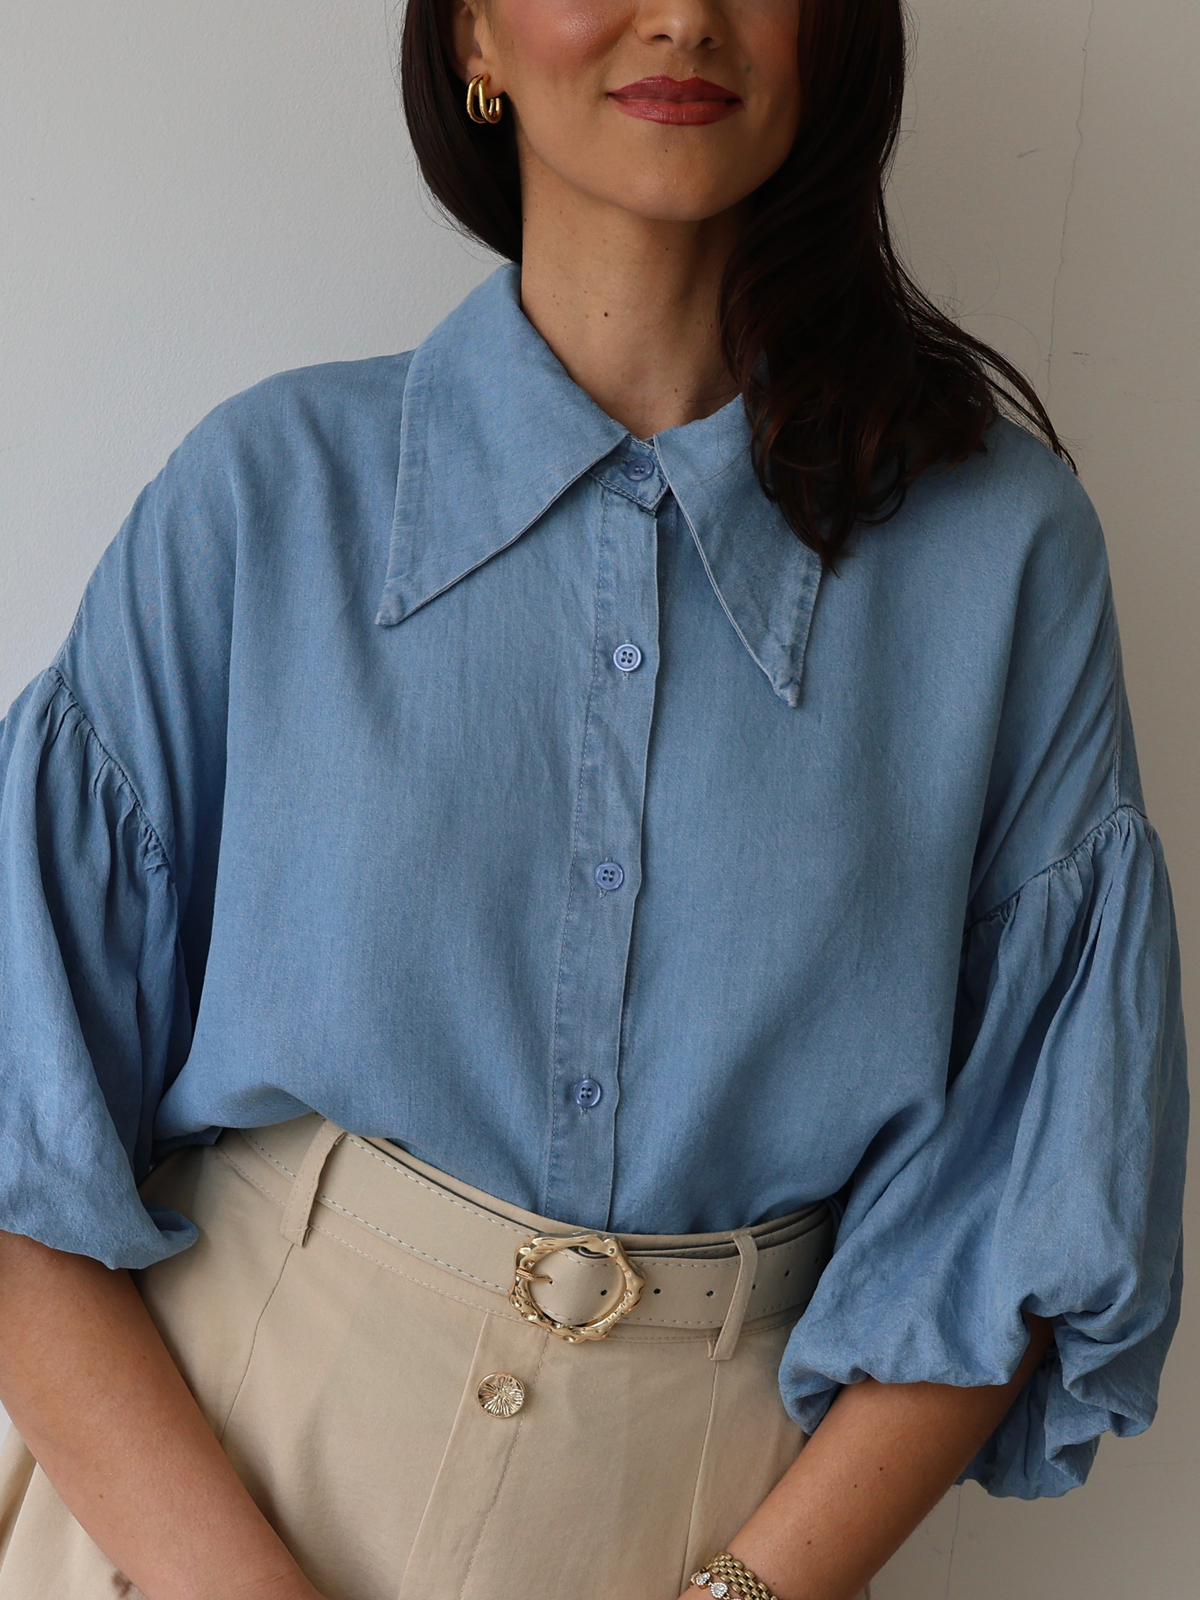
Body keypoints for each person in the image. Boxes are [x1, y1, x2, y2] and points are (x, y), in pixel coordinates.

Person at [0, 2, 1189, 1598]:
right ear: (475, 36)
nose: (683, 13)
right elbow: (19, 1122)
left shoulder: (1003, 562)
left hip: (703, 1538)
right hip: (197, 1517)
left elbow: (1025, 1193)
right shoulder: (268, 498)